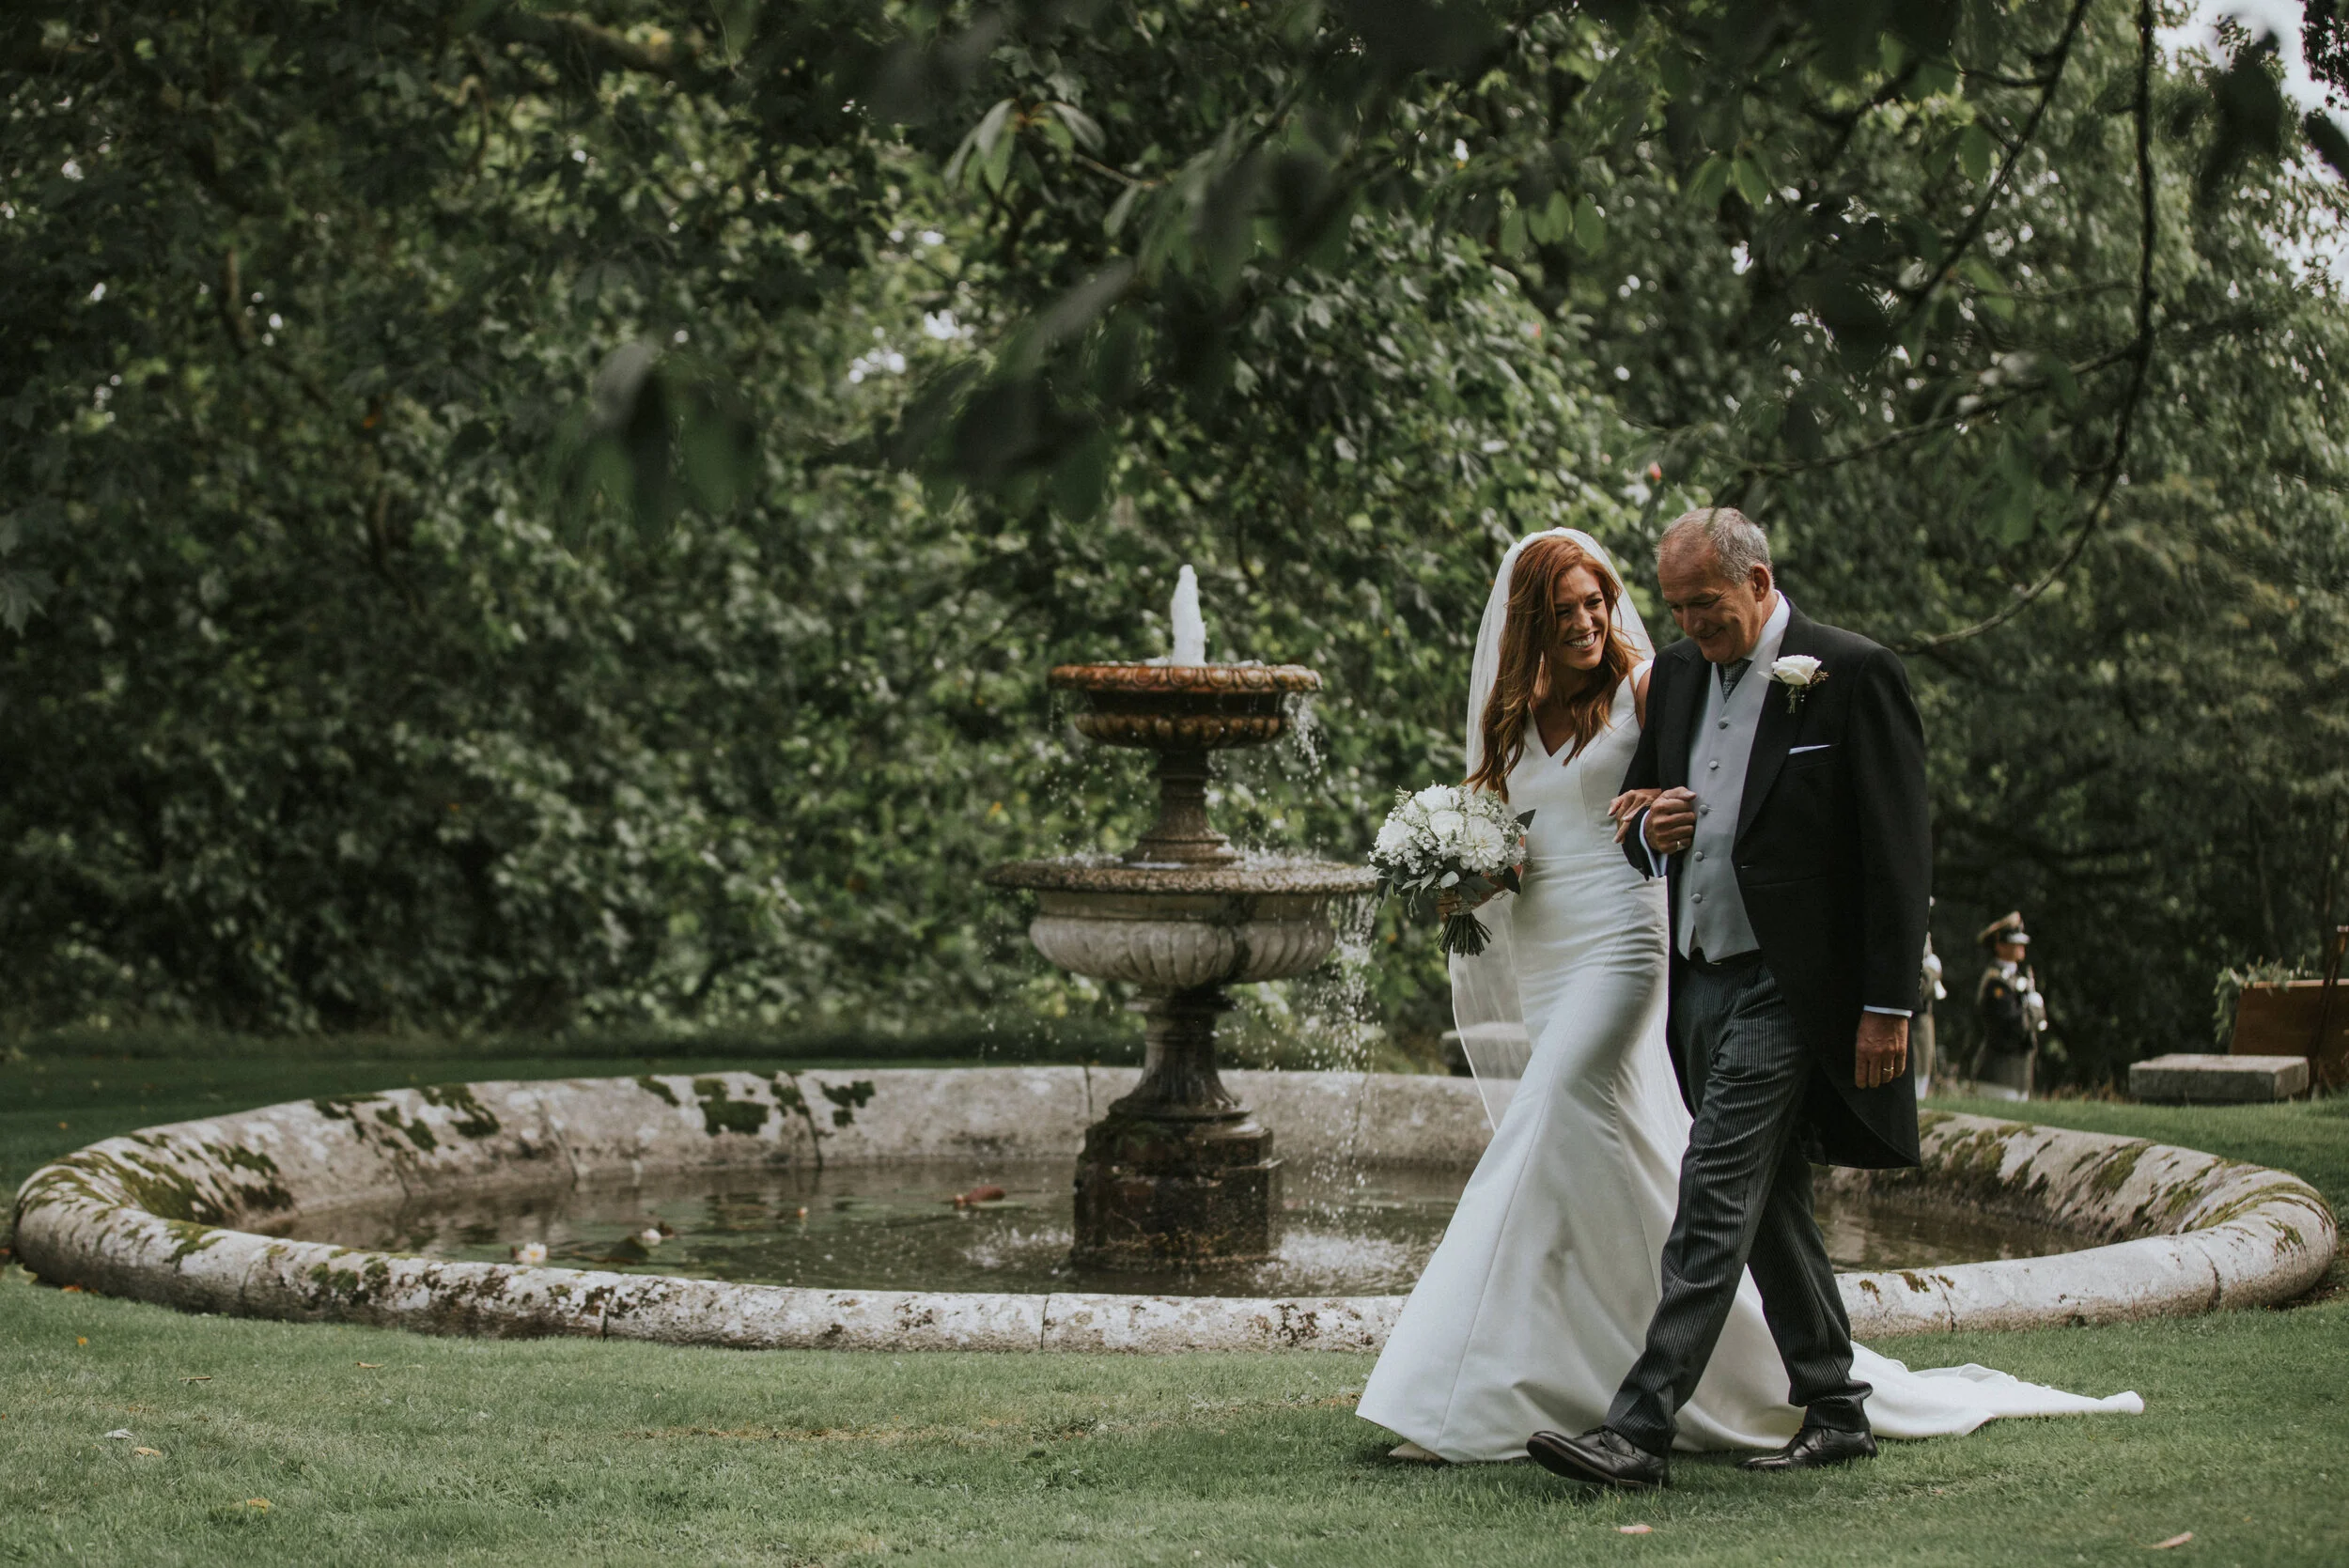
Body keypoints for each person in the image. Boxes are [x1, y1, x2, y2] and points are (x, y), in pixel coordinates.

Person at [1356, 519, 2139, 1478]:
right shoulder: (1680, 679)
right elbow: (1638, 822)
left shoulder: (1847, 674)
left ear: (1757, 581)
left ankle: (1631, 1425)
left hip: (1765, 979)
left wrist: (1888, 1006)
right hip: (1692, 968)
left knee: (1710, 1182)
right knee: (1766, 1199)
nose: (1676, 625)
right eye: (1672, 607)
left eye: (1697, 608)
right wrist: (1635, 829)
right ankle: (1834, 1396)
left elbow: (1899, 858)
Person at [1971, 911, 2046, 1098]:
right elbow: (2013, 1025)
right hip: (1999, 1073)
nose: (2021, 947)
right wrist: (2035, 1011)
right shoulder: (1996, 982)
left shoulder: (2017, 978)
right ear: (1999, 945)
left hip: (2019, 1076)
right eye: (2014, 942)